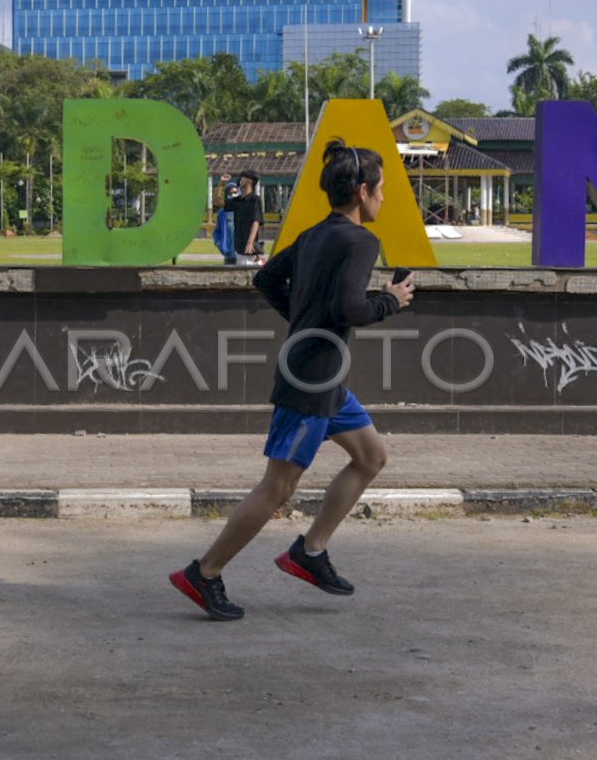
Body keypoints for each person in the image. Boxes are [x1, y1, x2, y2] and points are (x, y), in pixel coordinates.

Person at [170, 139, 417, 621]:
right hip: (310, 381)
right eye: (381, 189)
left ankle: (310, 550)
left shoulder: (312, 235)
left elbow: (265, 281)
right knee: (278, 488)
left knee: (371, 456)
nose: (384, 198)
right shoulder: (362, 241)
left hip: (323, 376)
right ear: (362, 192)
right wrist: (392, 299)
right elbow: (351, 308)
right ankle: (204, 572)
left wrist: (305, 320)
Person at [215, 169, 265, 265]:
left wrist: (250, 242)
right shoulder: (237, 201)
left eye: (243, 177)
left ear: (250, 181)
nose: (240, 179)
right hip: (238, 247)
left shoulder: (254, 200)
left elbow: (256, 221)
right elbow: (217, 202)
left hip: (248, 248)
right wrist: (221, 184)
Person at [213, 182, 238, 265]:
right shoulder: (222, 213)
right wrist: (218, 243)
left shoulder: (242, 209)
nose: (233, 195)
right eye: (230, 193)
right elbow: (217, 231)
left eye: (235, 193)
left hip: (241, 253)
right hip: (228, 253)